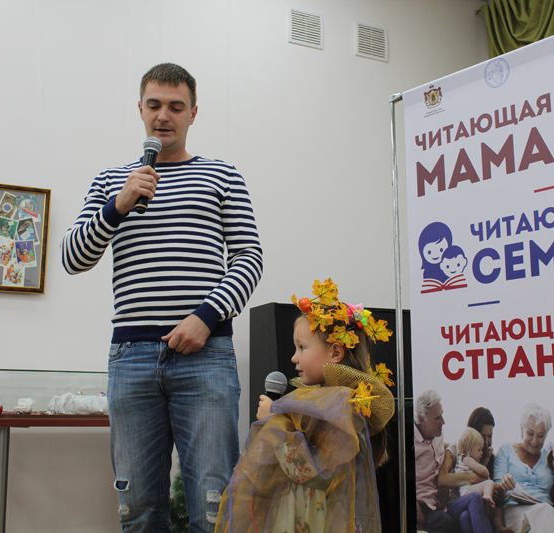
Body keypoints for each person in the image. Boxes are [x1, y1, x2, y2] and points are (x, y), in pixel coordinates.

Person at [61, 63, 263, 532]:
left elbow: (249, 256)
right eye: (154, 105)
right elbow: (73, 258)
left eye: (175, 106)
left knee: (213, 509)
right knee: (138, 511)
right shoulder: (112, 180)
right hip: (131, 358)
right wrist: (118, 205)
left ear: (193, 113)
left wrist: (206, 317)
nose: (163, 116)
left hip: (206, 355)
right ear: (140, 109)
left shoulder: (222, 175)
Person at [214, 279, 395, 533]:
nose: (293, 357)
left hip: (318, 521)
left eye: (302, 347)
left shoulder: (341, 406)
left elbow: (309, 472)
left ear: (335, 353)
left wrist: (273, 424)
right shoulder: (317, 400)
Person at [417, 391, 497, 533]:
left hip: (472, 511)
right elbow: (442, 478)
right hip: (455, 503)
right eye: (482, 436)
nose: (485, 442)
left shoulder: (489, 456)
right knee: (473, 498)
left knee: (465, 517)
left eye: (489, 436)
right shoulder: (458, 449)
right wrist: (477, 477)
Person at [493, 403, 554, 533]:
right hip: (515, 512)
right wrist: (502, 486)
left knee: (544, 513)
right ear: (522, 429)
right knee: (545, 511)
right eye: (530, 433)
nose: (535, 441)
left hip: (545, 516)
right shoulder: (506, 451)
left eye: (541, 436)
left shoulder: (550, 458)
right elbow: (496, 497)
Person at [454, 427, 496, 507]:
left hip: (468, 491)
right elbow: (483, 471)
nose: (481, 453)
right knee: (489, 483)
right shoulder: (466, 459)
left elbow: (480, 468)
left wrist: (487, 457)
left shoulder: (465, 460)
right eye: (479, 450)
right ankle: (487, 496)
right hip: (467, 491)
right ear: (468, 450)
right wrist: (486, 473)